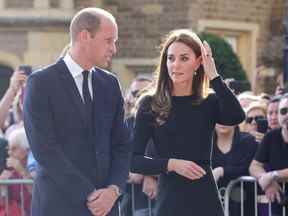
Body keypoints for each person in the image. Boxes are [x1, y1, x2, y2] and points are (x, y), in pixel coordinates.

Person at [23, 7, 130, 216]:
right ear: (84, 36)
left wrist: (113, 190)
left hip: (106, 208)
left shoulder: (110, 83)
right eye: (109, 40)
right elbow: (45, 150)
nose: (114, 49)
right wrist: (90, 194)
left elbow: (122, 144)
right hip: (58, 206)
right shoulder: (41, 83)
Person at [131, 29, 245, 216]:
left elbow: (236, 116)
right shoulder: (149, 103)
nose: (175, 65)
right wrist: (171, 164)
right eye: (171, 58)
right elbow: (134, 161)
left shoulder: (209, 101)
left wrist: (214, 76)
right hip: (170, 200)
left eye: (184, 58)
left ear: (198, 62)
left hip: (205, 198)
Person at [249, 94, 288, 216]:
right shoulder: (271, 136)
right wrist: (265, 179)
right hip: (280, 205)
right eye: (283, 111)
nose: (286, 115)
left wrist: (273, 175)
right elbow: (254, 166)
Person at [212, 124, 257, 216]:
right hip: (212, 205)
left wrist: (222, 171)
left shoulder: (248, 140)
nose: (223, 121)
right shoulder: (205, 142)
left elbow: (248, 168)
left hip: (242, 205)